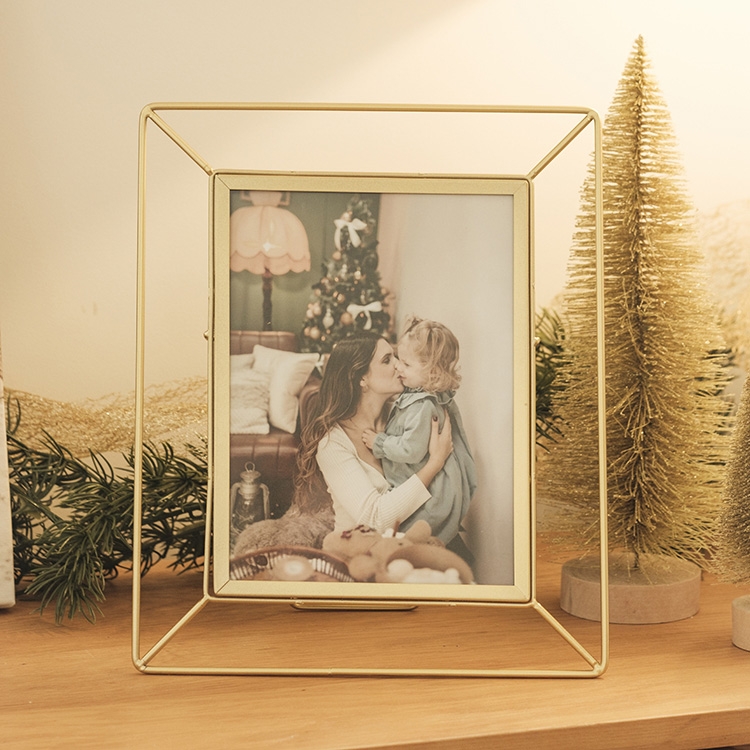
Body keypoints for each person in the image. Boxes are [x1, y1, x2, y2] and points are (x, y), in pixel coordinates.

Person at [295, 332, 453, 535]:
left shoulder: (406, 417)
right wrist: (435, 463)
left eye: (395, 356)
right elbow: (375, 519)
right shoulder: (332, 443)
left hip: (408, 541)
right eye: (387, 360)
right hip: (357, 547)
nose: (398, 365)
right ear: (361, 378)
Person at [361, 317, 476, 560]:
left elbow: (411, 450)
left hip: (430, 493)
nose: (398, 367)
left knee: (410, 536)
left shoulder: (422, 406)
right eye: (397, 359)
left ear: (431, 372)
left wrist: (379, 442)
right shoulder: (418, 395)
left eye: (406, 364)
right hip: (424, 477)